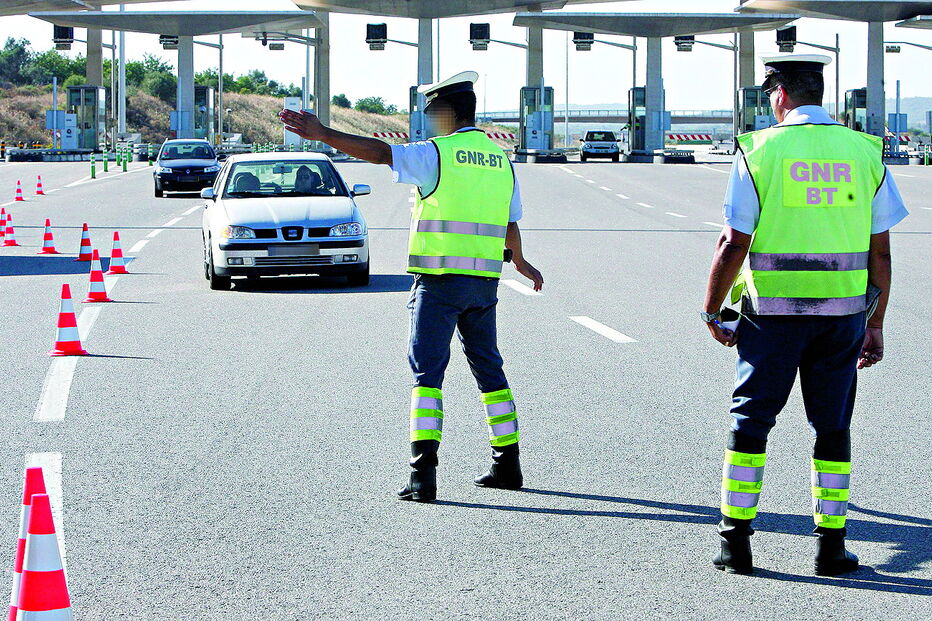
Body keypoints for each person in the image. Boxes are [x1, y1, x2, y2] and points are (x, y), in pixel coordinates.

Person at [280, 71, 544, 503]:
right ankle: (508, 465)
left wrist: (323, 133)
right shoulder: (500, 160)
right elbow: (509, 219)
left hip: (439, 282)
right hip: (483, 283)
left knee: (427, 377)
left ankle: (423, 476)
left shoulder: (438, 153)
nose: (427, 119)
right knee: (490, 372)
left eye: (430, 111)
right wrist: (520, 259)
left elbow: (382, 153)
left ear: (447, 112)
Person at [701, 54, 908, 576]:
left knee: (751, 424)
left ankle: (736, 542)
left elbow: (734, 242)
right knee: (832, 427)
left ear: (781, 95)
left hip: (771, 315)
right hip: (842, 317)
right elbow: (879, 250)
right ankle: (831, 548)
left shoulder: (758, 150)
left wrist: (711, 308)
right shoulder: (864, 151)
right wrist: (876, 323)